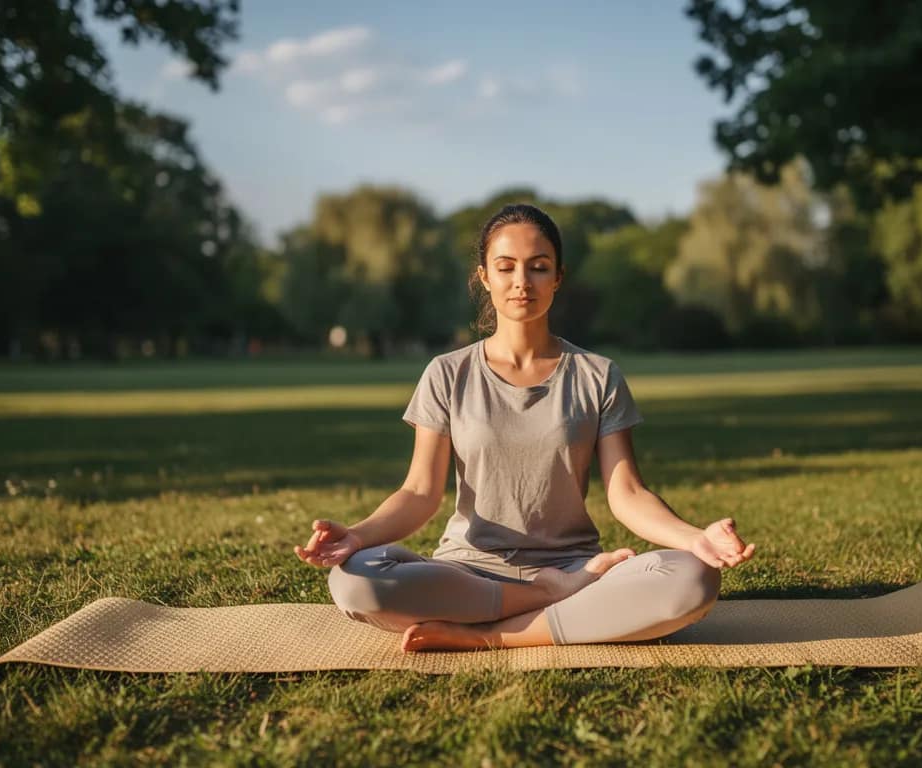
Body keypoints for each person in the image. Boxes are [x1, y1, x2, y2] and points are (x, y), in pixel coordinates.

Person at [294, 203, 756, 652]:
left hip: (576, 564)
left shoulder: (598, 375)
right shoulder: (447, 373)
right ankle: (550, 599)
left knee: (693, 578)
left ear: (557, 277)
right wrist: (357, 536)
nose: (521, 282)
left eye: (538, 267)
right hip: (468, 572)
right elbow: (418, 494)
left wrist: (693, 538)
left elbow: (628, 494)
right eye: (506, 266)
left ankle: (488, 635)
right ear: (485, 277)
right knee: (356, 579)